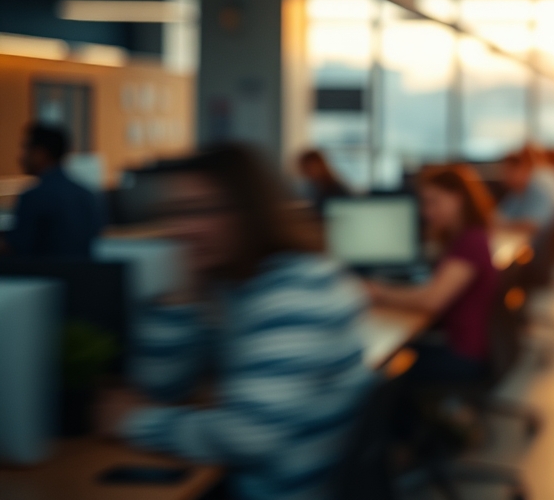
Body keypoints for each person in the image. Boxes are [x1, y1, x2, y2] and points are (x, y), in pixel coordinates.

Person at [97, 144, 370, 500]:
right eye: (175, 212)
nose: (184, 228)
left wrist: (134, 422)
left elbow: (249, 436)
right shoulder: (234, 285)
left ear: (250, 212)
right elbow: (159, 390)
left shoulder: (295, 292)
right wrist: (180, 297)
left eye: (202, 210)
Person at [366, 164, 499, 382]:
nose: (427, 212)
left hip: (463, 353)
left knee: (381, 374)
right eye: (424, 204)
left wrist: (378, 292)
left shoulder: (471, 242)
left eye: (434, 201)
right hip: (458, 341)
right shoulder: (462, 237)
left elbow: (432, 300)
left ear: (458, 198)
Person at [4, 123, 102, 259]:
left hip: (44, 276)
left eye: (25, 148)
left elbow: (18, 247)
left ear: (41, 153)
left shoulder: (34, 197)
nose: (20, 156)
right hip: (83, 277)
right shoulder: (88, 196)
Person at [496, 148, 554, 240]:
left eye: (507, 172)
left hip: (536, 245)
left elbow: (532, 226)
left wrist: (502, 225)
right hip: (533, 241)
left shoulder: (538, 186)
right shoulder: (545, 175)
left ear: (524, 167)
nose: (504, 177)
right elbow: (499, 216)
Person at [296, 148, 351, 213]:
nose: (306, 172)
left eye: (309, 167)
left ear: (320, 166)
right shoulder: (312, 188)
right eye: (304, 168)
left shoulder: (334, 189)